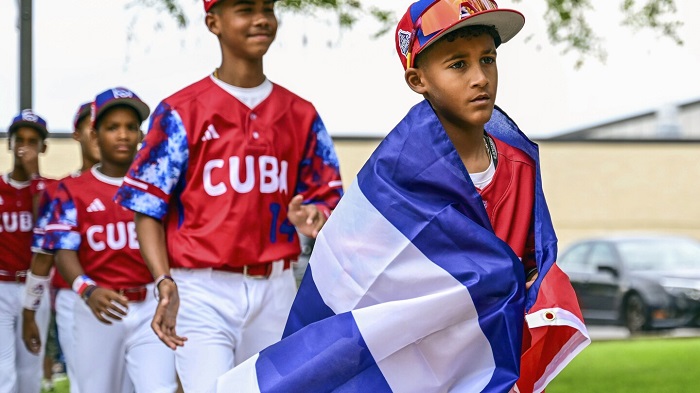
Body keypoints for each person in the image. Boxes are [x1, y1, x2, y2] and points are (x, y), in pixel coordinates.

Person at [213, 1, 589, 392]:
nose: (480, 77)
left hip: (492, 359)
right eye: (458, 64)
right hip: (414, 364)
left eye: (488, 60)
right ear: (417, 80)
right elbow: (356, 284)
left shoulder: (519, 163)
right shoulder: (395, 174)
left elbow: (529, 261)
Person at [114, 0, 343, 391]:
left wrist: (317, 216)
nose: (261, 19)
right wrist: (163, 279)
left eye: (268, 8)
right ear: (213, 22)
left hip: (275, 284)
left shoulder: (300, 112)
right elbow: (147, 209)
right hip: (201, 288)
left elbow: (328, 197)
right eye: (245, 9)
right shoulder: (180, 110)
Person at [44, 87, 177, 392]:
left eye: (131, 127)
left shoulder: (158, 185)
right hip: (99, 307)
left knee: (160, 389)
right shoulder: (71, 189)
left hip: (151, 306)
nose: (123, 135)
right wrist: (87, 289)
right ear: (95, 134)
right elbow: (63, 251)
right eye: (112, 127)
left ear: (142, 135)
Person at [22, 102, 100, 393]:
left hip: (134, 297)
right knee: (86, 383)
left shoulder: (135, 188)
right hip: (75, 298)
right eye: (90, 127)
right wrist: (30, 309)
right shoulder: (60, 190)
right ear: (77, 134)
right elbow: (40, 249)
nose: (97, 134)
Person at [0, 109, 51, 393]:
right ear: (10, 142)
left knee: (30, 374)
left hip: (35, 288)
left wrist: (35, 177)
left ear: (43, 147)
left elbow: (44, 225)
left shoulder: (50, 189)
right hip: (2, 284)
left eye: (33, 141)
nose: (25, 147)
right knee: (3, 373)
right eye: (20, 139)